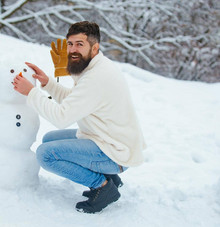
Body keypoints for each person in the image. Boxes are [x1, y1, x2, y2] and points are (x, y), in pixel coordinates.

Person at [12, 21, 146, 213]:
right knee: (49, 139)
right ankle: (110, 177)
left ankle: (102, 186)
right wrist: (48, 83)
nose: (73, 50)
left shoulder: (96, 78)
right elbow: (76, 102)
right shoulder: (95, 67)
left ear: (94, 47)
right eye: (70, 44)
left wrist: (32, 92)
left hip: (115, 152)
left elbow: (61, 117)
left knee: (46, 154)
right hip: (107, 138)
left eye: (80, 44)